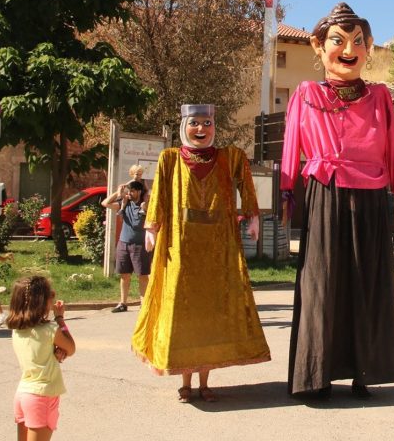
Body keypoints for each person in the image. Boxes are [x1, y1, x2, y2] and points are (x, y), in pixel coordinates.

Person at [281, 2, 394, 399]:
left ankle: (364, 372)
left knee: (367, 284)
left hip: (371, 195)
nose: (349, 49)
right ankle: (316, 375)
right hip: (325, 191)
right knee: (322, 284)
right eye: (338, 40)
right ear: (318, 47)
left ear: (368, 49)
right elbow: (290, 148)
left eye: (358, 41)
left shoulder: (380, 96)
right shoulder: (305, 93)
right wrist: (286, 192)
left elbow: (392, 150)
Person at [131, 103, 270, 403]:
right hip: (181, 249)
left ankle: (206, 382)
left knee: (210, 317)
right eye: (195, 123)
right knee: (184, 316)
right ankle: (185, 383)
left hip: (219, 251)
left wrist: (252, 215)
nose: (201, 129)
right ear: (185, 125)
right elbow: (159, 196)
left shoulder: (229, 157)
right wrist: (151, 227)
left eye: (207, 123)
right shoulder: (170, 158)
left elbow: (245, 180)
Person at [6, 275, 75, 441]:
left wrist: (53, 353)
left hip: (23, 393)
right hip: (41, 396)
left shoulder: (18, 330)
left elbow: (41, 353)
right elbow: (70, 347)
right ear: (41, 302)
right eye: (49, 297)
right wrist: (60, 318)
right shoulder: (50, 330)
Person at [102, 179, 150, 313]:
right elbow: (105, 203)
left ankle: (144, 304)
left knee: (142, 275)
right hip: (124, 243)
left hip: (140, 245)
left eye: (132, 191)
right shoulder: (124, 204)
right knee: (124, 274)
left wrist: (145, 205)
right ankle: (123, 303)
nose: (129, 193)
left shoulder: (145, 204)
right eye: (128, 191)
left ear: (139, 192)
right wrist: (118, 192)